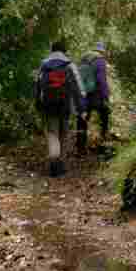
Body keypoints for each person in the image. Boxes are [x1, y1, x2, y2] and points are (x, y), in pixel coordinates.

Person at [35, 40, 85, 177]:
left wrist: (38, 104)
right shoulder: (69, 65)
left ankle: (53, 162)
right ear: (64, 51)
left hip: (49, 105)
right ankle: (61, 164)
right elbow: (78, 87)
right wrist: (81, 107)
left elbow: (38, 85)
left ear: (52, 50)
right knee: (64, 134)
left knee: (53, 133)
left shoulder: (44, 64)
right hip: (65, 105)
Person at [77, 41, 110, 153]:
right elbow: (102, 81)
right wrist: (106, 97)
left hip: (82, 95)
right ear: (103, 51)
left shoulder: (84, 59)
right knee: (105, 114)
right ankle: (103, 142)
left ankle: (80, 148)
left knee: (82, 119)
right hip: (95, 95)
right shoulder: (100, 61)